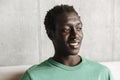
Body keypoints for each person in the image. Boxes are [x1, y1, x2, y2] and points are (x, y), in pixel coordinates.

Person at [20, 4, 113, 80]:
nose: (75, 35)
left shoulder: (102, 73)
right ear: (50, 34)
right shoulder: (33, 76)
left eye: (78, 28)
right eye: (66, 30)